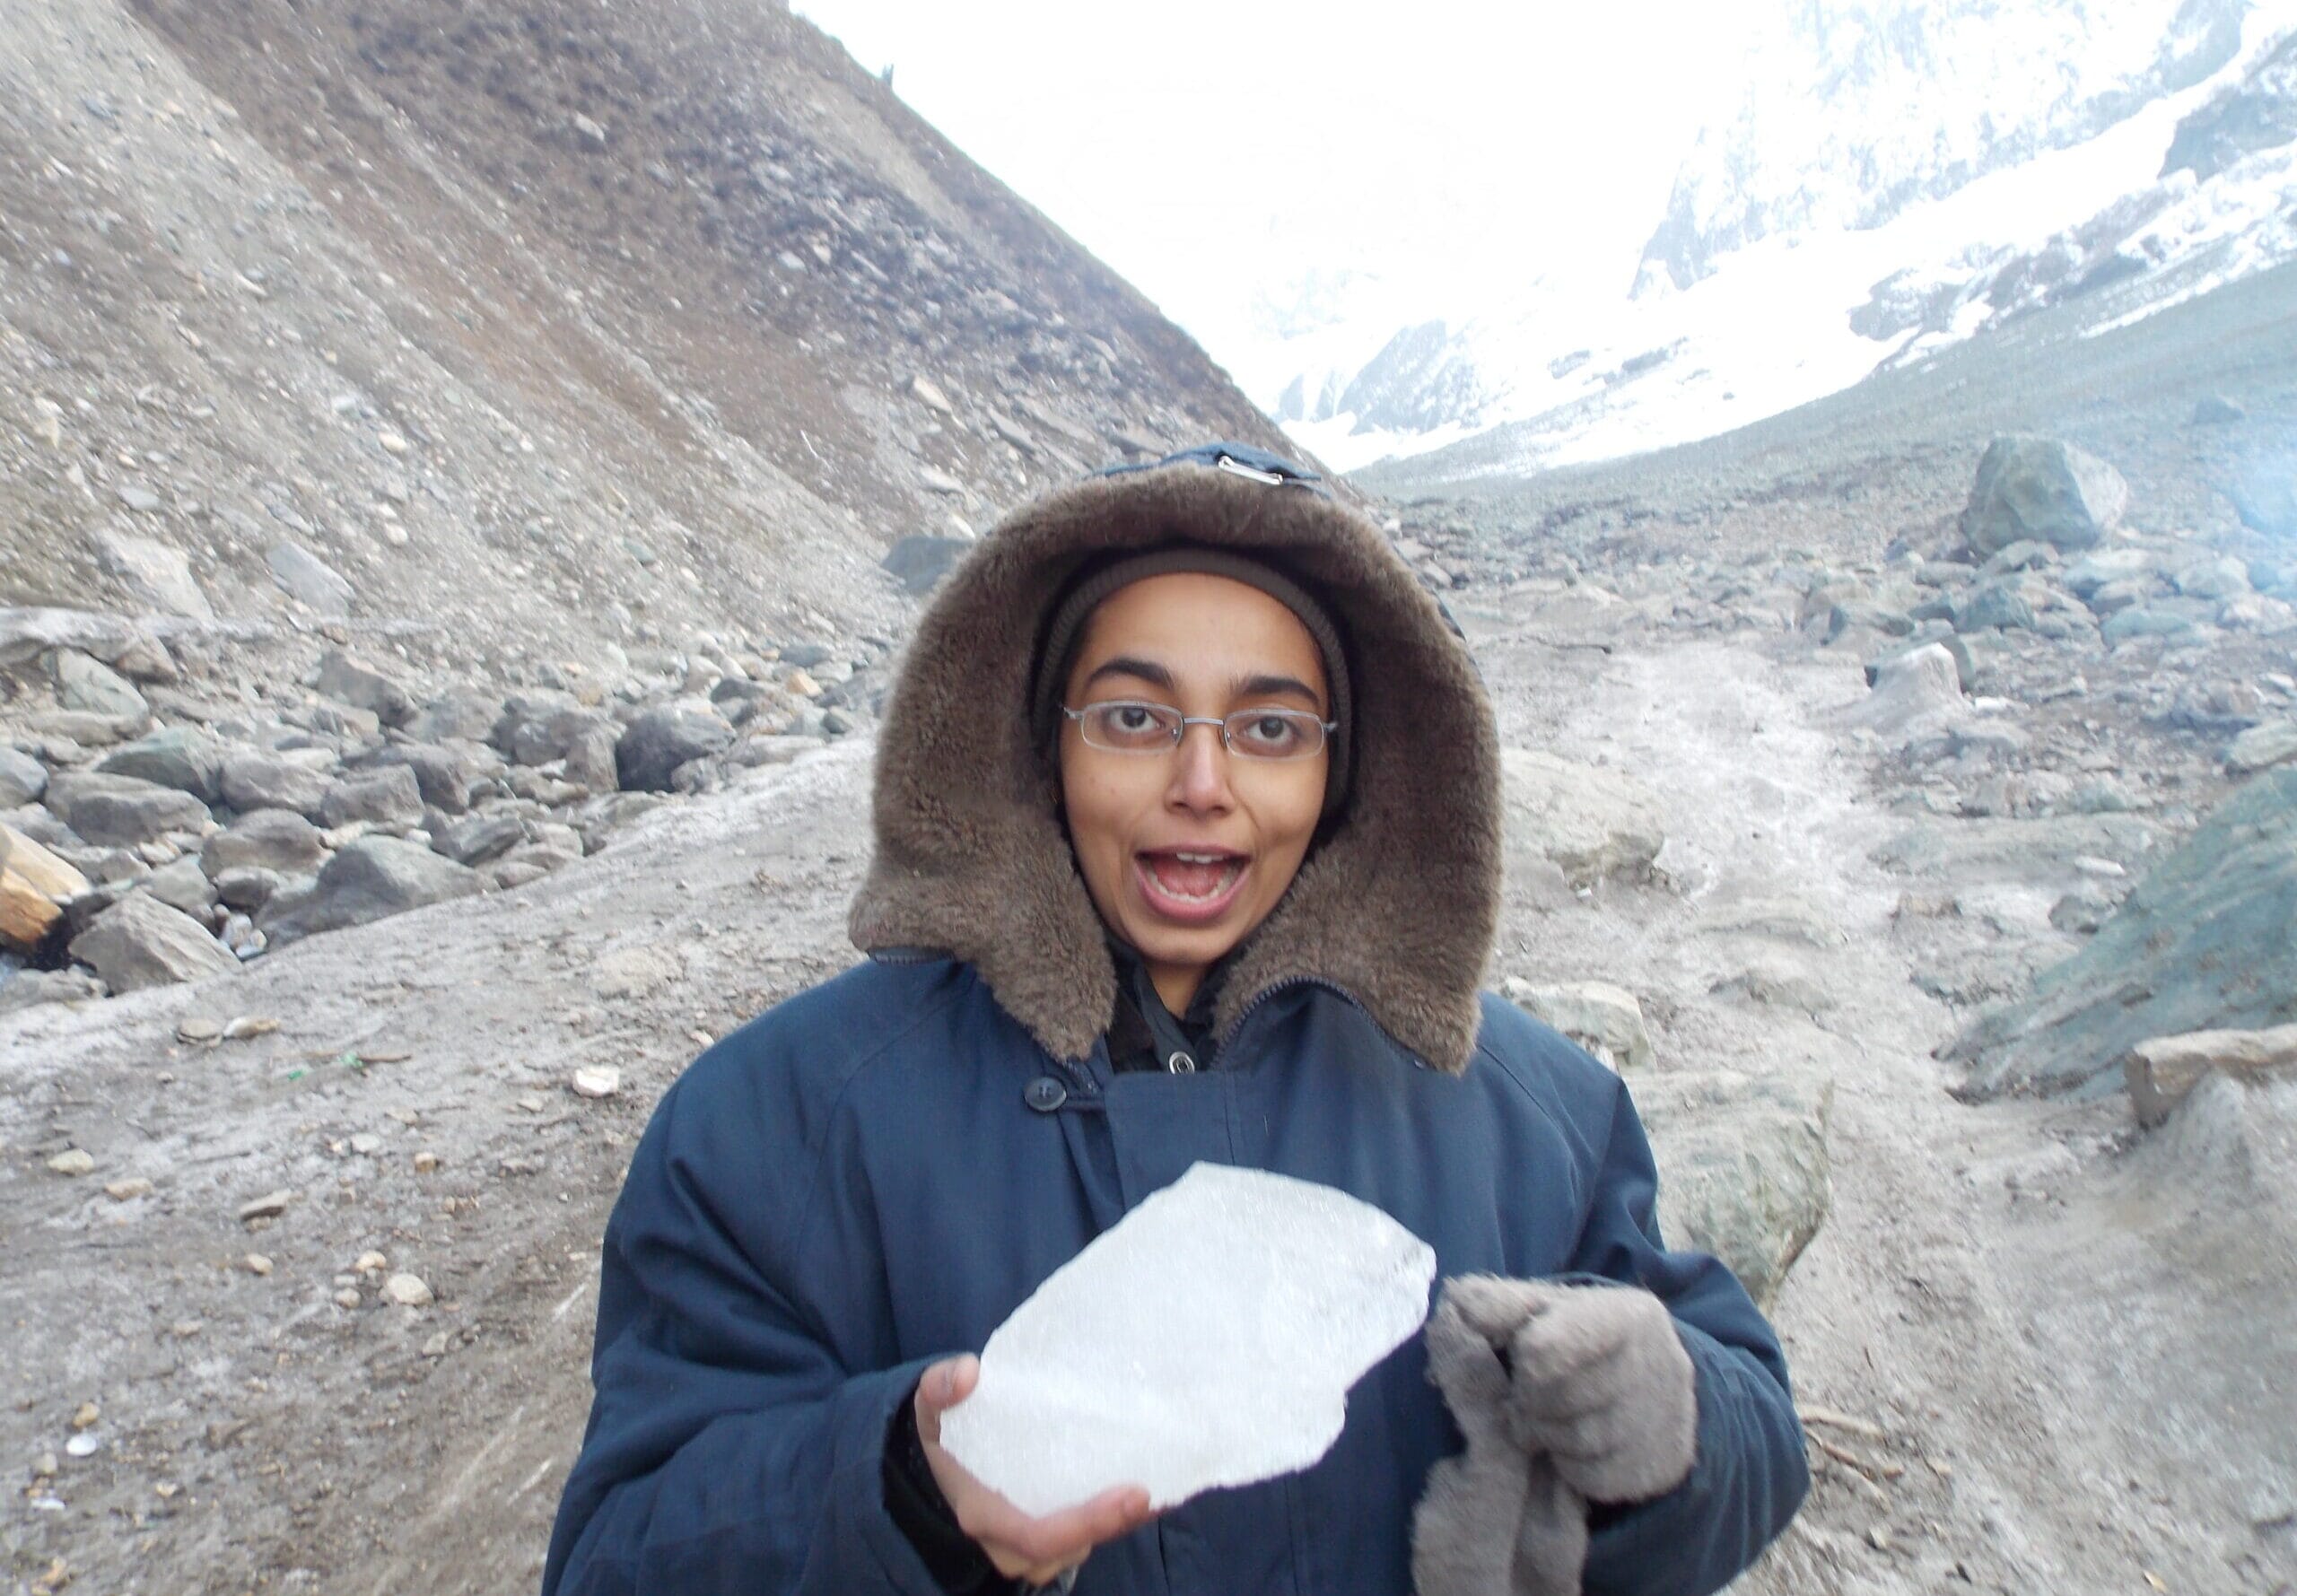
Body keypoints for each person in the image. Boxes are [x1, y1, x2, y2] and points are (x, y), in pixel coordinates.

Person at [541, 442, 1808, 1596]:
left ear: (1344, 768)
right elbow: (617, 1557)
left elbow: (1750, 1419)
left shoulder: (1533, 1112)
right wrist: (900, 1494)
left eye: (1268, 728)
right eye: (1137, 718)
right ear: (1044, 747)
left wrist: (1673, 1430)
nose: (1202, 786)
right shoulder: (778, 1122)